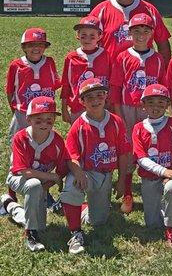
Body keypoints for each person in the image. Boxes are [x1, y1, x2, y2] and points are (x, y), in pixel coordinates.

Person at [60, 78, 130, 254]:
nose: (95, 100)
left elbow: (123, 153)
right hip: (86, 173)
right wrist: (78, 172)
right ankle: (75, 232)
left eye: (99, 95)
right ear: (82, 102)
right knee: (72, 186)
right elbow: (71, 156)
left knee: (98, 221)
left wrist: (121, 180)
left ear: (106, 96)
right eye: (89, 97)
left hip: (105, 175)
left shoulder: (116, 122)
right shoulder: (78, 126)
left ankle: (79, 208)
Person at [110, 13, 167, 214]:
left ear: (152, 33)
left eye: (145, 31)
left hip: (150, 109)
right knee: (127, 150)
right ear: (130, 33)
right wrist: (117, 113)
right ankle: (127, 191)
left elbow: (162, 87)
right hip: (127, 107)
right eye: (136, 31)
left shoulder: (158, 59)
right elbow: (116, 86)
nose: (141, 35)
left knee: (152, 146)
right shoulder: (123, 57)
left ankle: (154, 188)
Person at [3, 96, 66, 252]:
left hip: (41, 183)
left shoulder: (57, 140)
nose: (44, 124)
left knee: (40, 224)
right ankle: (30, 234)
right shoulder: (21, 138)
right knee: (33, 185)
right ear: (28, 120)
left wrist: (48, 185)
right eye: (38, 120)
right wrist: (51, 177)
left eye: (49, 120)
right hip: (18, 178)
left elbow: (61, 170)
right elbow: (24, 171)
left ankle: (10, 206)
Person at [133, 84, 172, 246]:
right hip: (150, 178)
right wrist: (163, 171)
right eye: (150, 103)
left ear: (167, 105)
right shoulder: (138, 128)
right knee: (152, 223)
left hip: (170, 177)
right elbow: (141, 158)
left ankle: (170, 228)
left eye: (161, 103)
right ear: (143, 105)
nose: (155, 107)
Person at [90, 0, 171, 64]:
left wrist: (162, 71)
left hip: (143, 71)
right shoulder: (100, 10)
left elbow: (163, 44)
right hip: (110, 73)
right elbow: (88, 43)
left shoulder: (149, 10)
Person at [5, 28, 61, 145]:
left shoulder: (50, 62)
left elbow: (55, 84)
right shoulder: (16, 65)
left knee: (43, 142)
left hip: (45, 111)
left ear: (45, 47)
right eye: (31, 45)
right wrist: (16, 110)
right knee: (19, 142)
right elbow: (10, 91)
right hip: (23, 112)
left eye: (40, 44)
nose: (36, 48)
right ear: (24, 47)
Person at [61, 16, 111, 125]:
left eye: (92, 36)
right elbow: (66, 85)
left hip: (102, 106)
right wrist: (64, 108)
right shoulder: (71, 58)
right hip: (78, 106)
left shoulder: (106, 56)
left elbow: (112, 82)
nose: (87, 39)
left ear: (100, 36)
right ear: (77, 35)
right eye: (83, 35)